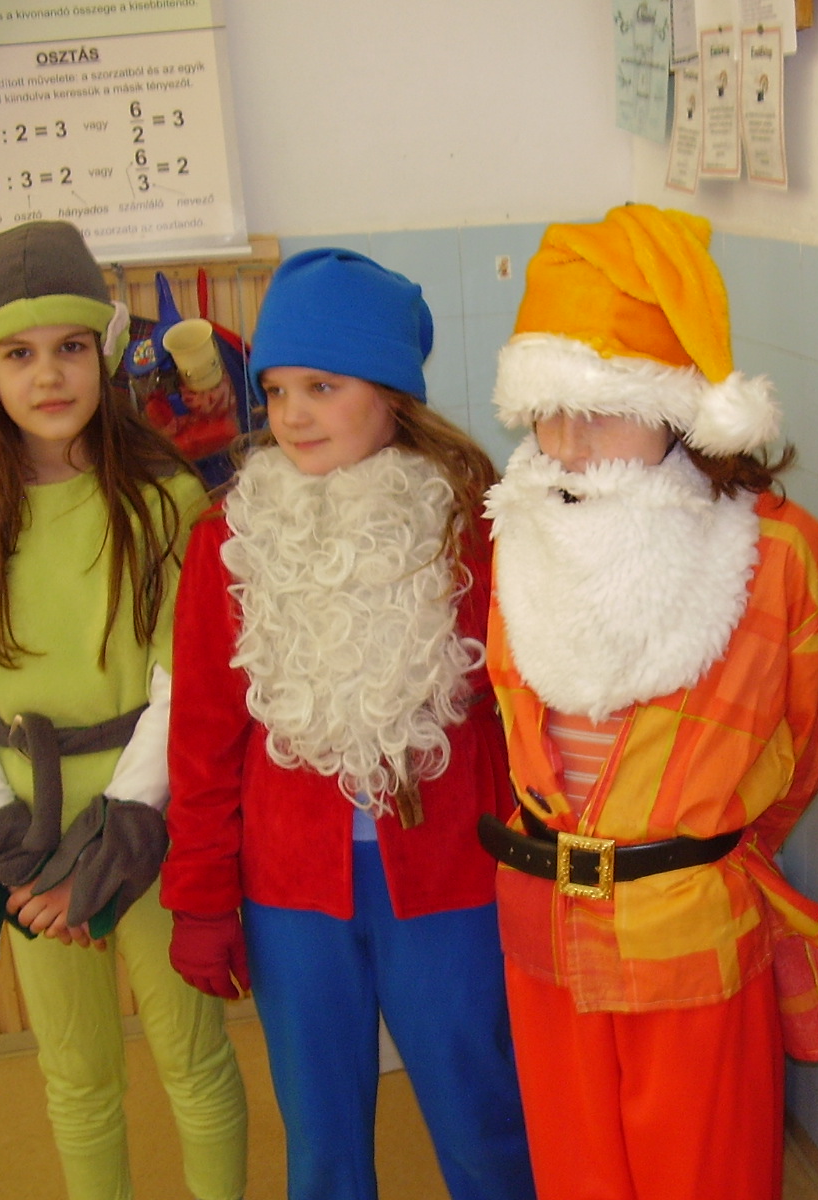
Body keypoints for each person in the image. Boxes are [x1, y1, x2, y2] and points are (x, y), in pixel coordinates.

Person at [478, 204, 818, 1200]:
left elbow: (806, 746)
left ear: (679, 410)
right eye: (548, 410)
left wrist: (701, 850)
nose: (570, 444)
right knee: (575, 1178)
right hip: (546, 931)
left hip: (689, 937)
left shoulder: (784, 559)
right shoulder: (519, 530)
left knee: (707, 1177)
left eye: (603, 407)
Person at [159, 248, 536, 1200]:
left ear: (392, 393)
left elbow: (522, 713)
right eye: (276, 390)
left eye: (322, 387)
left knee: (483, 1116)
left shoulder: (470, 529)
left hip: (450, 878)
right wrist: (201, 897)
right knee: (321, 1135)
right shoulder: (228, 540)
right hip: (291, 890)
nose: (291, 415)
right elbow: (202, 738)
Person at [0, 220, 247, 1200]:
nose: (48, 376)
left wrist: (126, 826)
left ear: (103, 352)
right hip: (27, 826)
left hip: (151, 814)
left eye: (68, 347)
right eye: (17, 354)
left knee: (193, 1057)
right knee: (77, 1075)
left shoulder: (164, 495)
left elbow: (185, 681)